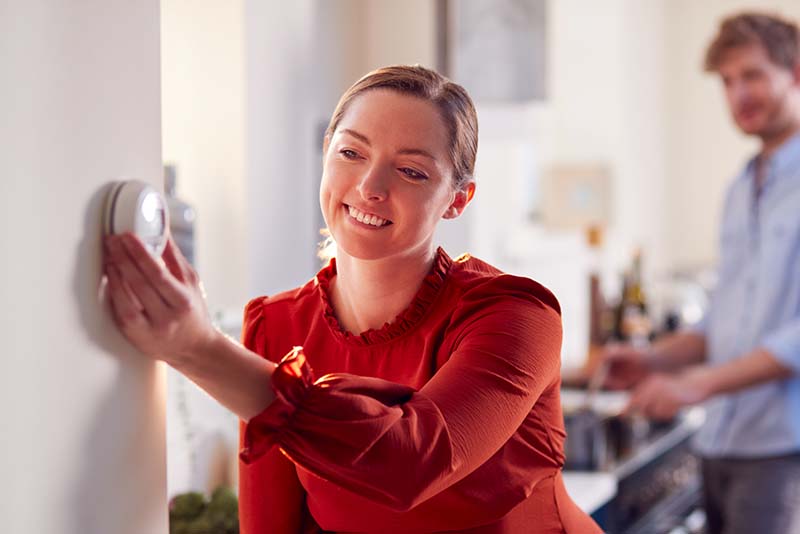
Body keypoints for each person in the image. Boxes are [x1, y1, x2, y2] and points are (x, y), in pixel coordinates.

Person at [102, 65, 601, 533]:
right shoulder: (276, 326)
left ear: (457, 199)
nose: (369, 186)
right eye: (351, 152)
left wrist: (198, 348)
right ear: (326, 152)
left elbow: (412, 462)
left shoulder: (515, 314)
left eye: (411, 171)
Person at [602, 12, 800, 534]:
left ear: (796, 72)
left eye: (753, 75)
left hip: (783, 450)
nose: (738, 94)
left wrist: (698, 386)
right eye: (728, 82)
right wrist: (651, 360)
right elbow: (724, 323)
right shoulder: (739, 190)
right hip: (719, 442)